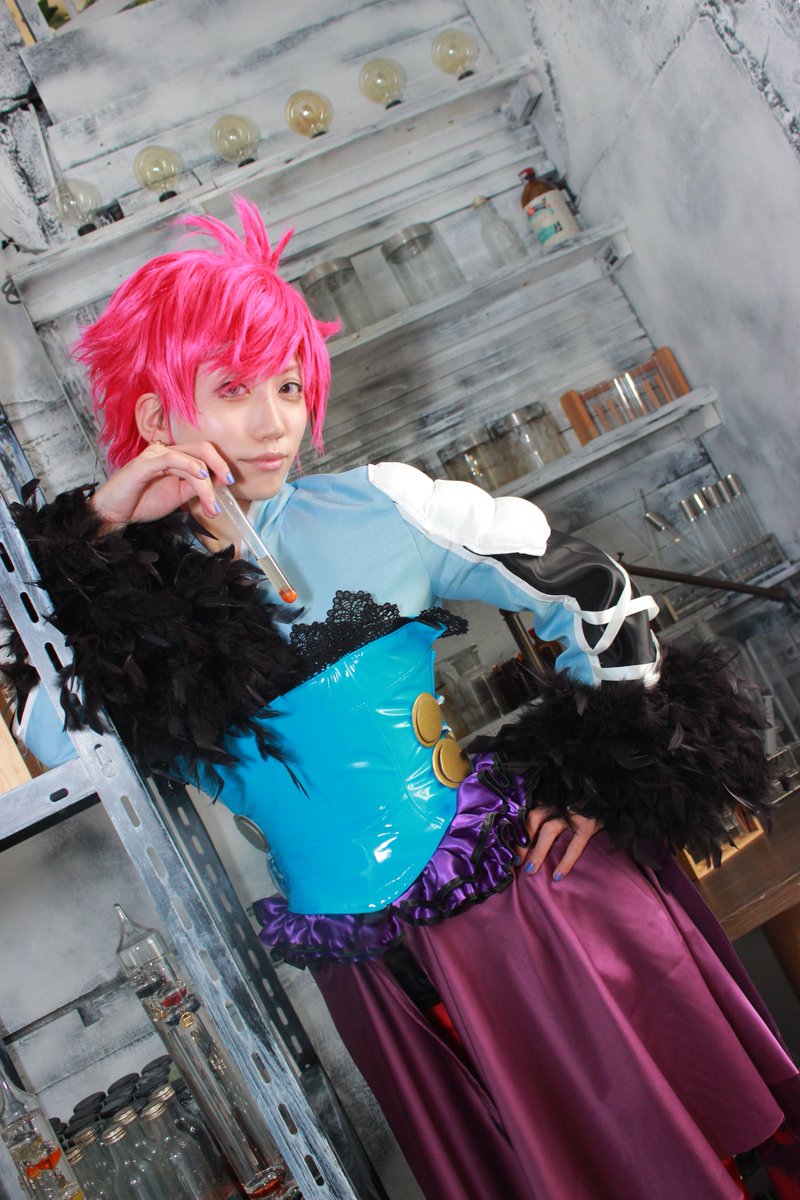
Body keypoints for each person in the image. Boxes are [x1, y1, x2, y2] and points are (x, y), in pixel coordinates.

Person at [4, 197, 799, 1200]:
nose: (274, 421)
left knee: (678, 1158)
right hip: (381, 981)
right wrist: (101, 528)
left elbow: (592, 592)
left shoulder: (378, 506)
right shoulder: (125, 617)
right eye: (234, 389)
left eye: (289, 385)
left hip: (531, 912)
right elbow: (52, 740)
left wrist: (607, 774)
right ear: (159, 418)